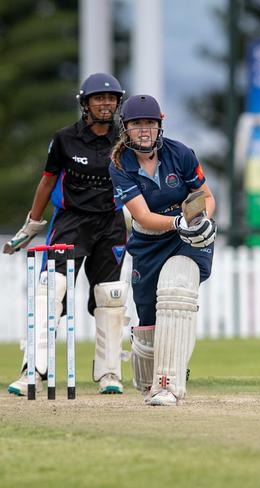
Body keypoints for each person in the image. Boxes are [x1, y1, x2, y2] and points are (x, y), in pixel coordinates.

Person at [4, 73, 130, 396]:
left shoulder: (125, 137)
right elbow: (47, 181)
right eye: (99, 99)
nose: (106, 104)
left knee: (111, 296)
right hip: (71, 222)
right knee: (51, 289)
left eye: (111, 98)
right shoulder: (64, 139)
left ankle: (109, 372)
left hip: (111, 223)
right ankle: (33, 369)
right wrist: (31, 225)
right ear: (85, 104)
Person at [109, 94, 216, 406]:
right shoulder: (119, 165)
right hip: (148, 240)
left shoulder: (180, 153)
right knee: (148, 324)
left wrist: (201, 221)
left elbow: (206, 197)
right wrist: (179, 222)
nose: (144, 130)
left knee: (176, 290)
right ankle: (148, 382)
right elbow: (142, 216)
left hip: (186, 239)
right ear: (125, 128)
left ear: (160, 125)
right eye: (137, 124)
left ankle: (169, 384)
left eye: (150, 124)